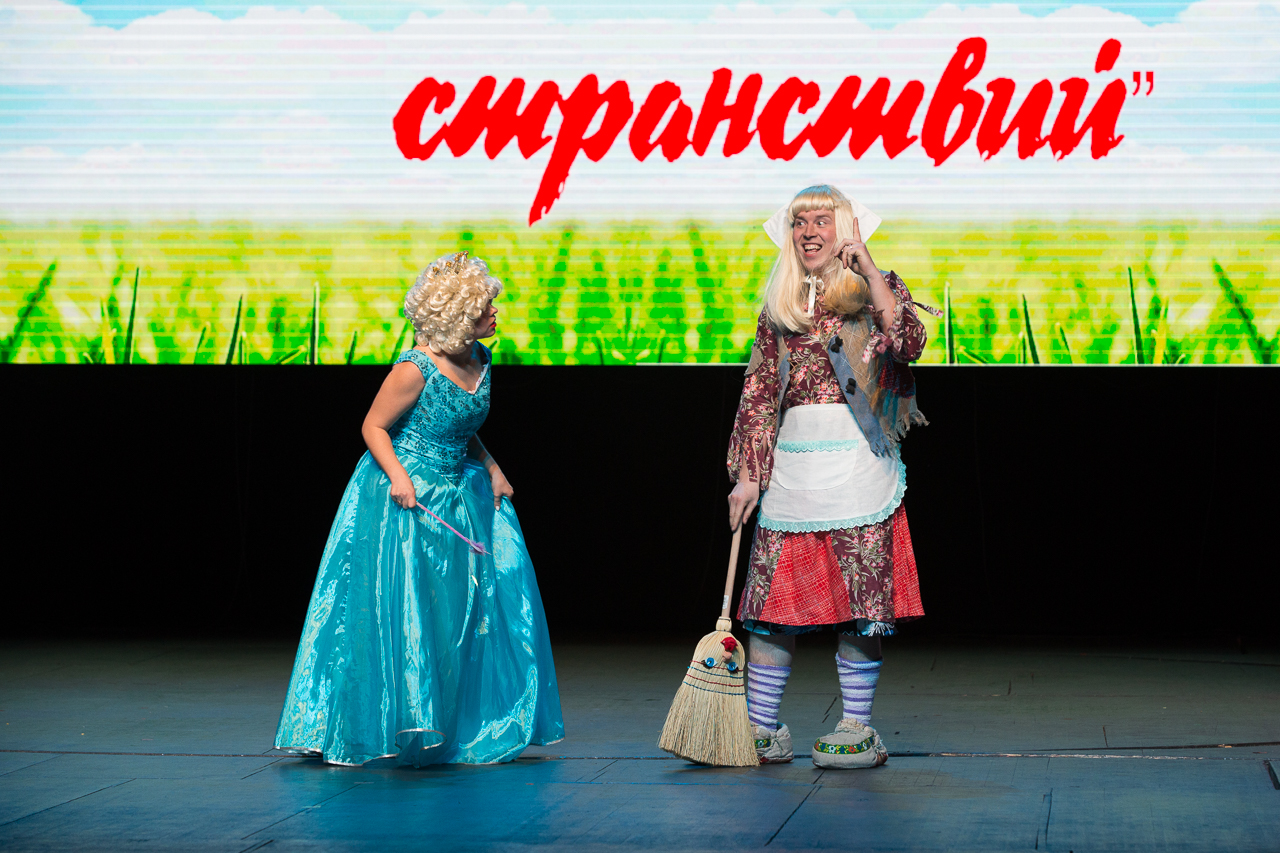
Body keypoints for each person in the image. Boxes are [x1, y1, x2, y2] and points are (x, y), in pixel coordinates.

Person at [274, 251, 564, 766]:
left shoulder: (481, 358)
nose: (494, 313)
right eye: (484, 308)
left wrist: (492, 466)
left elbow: (461, 425)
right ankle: (389, 722)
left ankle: (456, 720)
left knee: (461, 611)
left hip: (458, 489)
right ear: (458, 316)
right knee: (407, 610)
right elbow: (373, 426)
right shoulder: (415, 368)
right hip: (406, 493)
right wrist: (399, 476)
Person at [725, 185, 935, 768]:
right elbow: (759, 393)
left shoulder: (874, 290)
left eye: (822, 220)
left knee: (860, 604)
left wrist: (869, 269)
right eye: (800, 222)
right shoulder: (781, 307)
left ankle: (856, 726)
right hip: (794, 472)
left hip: (858, 469)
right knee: (770, 607)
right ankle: (762, 728)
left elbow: (909, 343)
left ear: (845, 227)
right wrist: (748, 475)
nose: (808, 231)